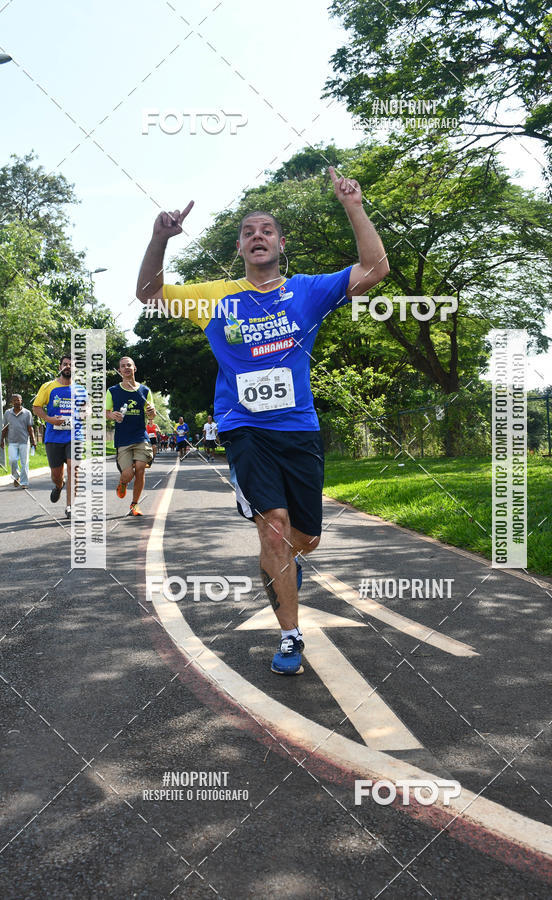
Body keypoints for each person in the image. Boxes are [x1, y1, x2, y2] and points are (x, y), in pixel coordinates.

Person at [136, 167, 389, 674]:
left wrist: (354, 206)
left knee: (305, 539)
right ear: (239, 247)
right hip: (243, 427)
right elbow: (148, 292)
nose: (258, 236)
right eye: (248, 231)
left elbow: (375, 268)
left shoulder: (307, 291)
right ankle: (291, 634)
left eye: (266, 230)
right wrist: (160, 238)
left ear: (280, 243)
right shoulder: (215, 297)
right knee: (274, 530)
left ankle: (284, 568)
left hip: (299, 428)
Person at [105, 356, 156, 517]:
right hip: (123, 439)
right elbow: (106, 412)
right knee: (128, 474)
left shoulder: (145, 391)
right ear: (119, 370)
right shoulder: (112, 391)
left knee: (140, 469)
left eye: (129, 365)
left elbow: (151, 415)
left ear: (135, 368)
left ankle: (135, 504)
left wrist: (152, 413)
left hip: (140, 436)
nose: (126, 368)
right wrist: (112, 415)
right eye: (123, 366)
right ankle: (123, 482)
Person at [33, 355, 82, 519]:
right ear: (60, 367)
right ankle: (59, 486)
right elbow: (36, 407)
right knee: (56, 475)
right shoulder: (48, 387)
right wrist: (49, 419)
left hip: (75, 436)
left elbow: (87, 408)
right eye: (65, 364)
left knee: (73, 470)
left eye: (71, 364)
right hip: (53, 437)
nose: (68, 366)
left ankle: (70, 507)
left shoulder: (80, 389)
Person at [1, 394, 37, 488]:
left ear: (21, 401)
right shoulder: (7, 413)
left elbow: (30, 428)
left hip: (24, 441)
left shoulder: (27, 413)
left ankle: (24, 482)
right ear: (11, 402)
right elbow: (5, 428)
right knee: (13, 460)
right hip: (12, 441)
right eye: (14, 400)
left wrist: (33, 441)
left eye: (18, 400)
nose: (16, 402)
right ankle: (16, 477)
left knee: (24, 463)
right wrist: (2, 440)